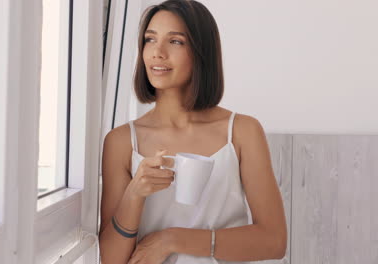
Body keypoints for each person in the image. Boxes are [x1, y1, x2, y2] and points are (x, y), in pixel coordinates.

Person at [98, 0, 287, 263]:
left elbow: (274, 241)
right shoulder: (120, 142)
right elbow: (109, 259)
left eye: (175, 41)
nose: (157, 52)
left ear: (201, 52)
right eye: (150, 40)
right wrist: (134, 193)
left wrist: (171, 239)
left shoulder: (243, 132)